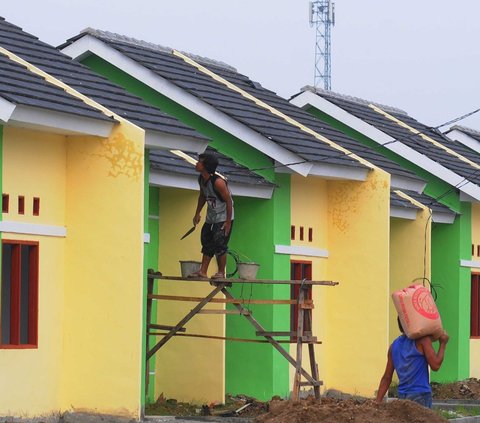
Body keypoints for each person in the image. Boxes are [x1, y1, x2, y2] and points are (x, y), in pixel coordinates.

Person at [376, 317, 449, 408]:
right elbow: (435, 365)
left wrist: (377, 403)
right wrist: (443, 344)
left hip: (402, 397)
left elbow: (386, 378)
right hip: (420, 395)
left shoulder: (394, 346)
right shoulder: (423, 341)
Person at [189, 153, 234, 279]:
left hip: (224, 217)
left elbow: (229, 201)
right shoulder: (201, 179)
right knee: (206, 240)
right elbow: (202, 196)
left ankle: (221, 273)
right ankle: (202, 271)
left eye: (200, 162)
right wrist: (197, 213)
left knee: (220, 243)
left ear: (206, 165)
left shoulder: (218, 182)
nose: (197, 163)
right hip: (211, 216)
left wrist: (228, 222)